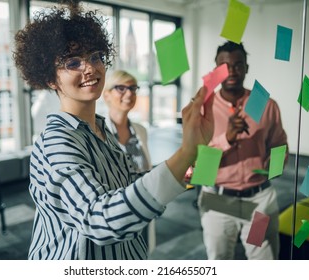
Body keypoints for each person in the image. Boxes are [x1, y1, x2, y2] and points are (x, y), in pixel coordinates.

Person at [13, 0, 214, 260]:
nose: (90, 67)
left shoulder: (101, 131)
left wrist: (187, 166)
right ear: (50, 78)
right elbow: (99, 220)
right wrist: (185, 153)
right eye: (72, 62)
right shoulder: (56, 142)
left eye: (95, 56)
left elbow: (125, 188)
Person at [197, 41, 288, 260]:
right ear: (216, 69)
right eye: (224, 65)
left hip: (259, 200)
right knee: (219, 261)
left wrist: (274, 164)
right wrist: (226, 139)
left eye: (238, 65)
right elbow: (196, 165)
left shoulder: (265, 103)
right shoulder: (203, 108)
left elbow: (279, 145)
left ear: (247, 68)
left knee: (264, 263)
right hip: (217, 199)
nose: (232, 71)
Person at [103, 70, 156, 253]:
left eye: (133, 88)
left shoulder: (140, 131)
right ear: (106, 94)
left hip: (143, 206)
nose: (129, 94)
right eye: (121, 88)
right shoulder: (98, 133)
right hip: (115, 210)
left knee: (141, 253)